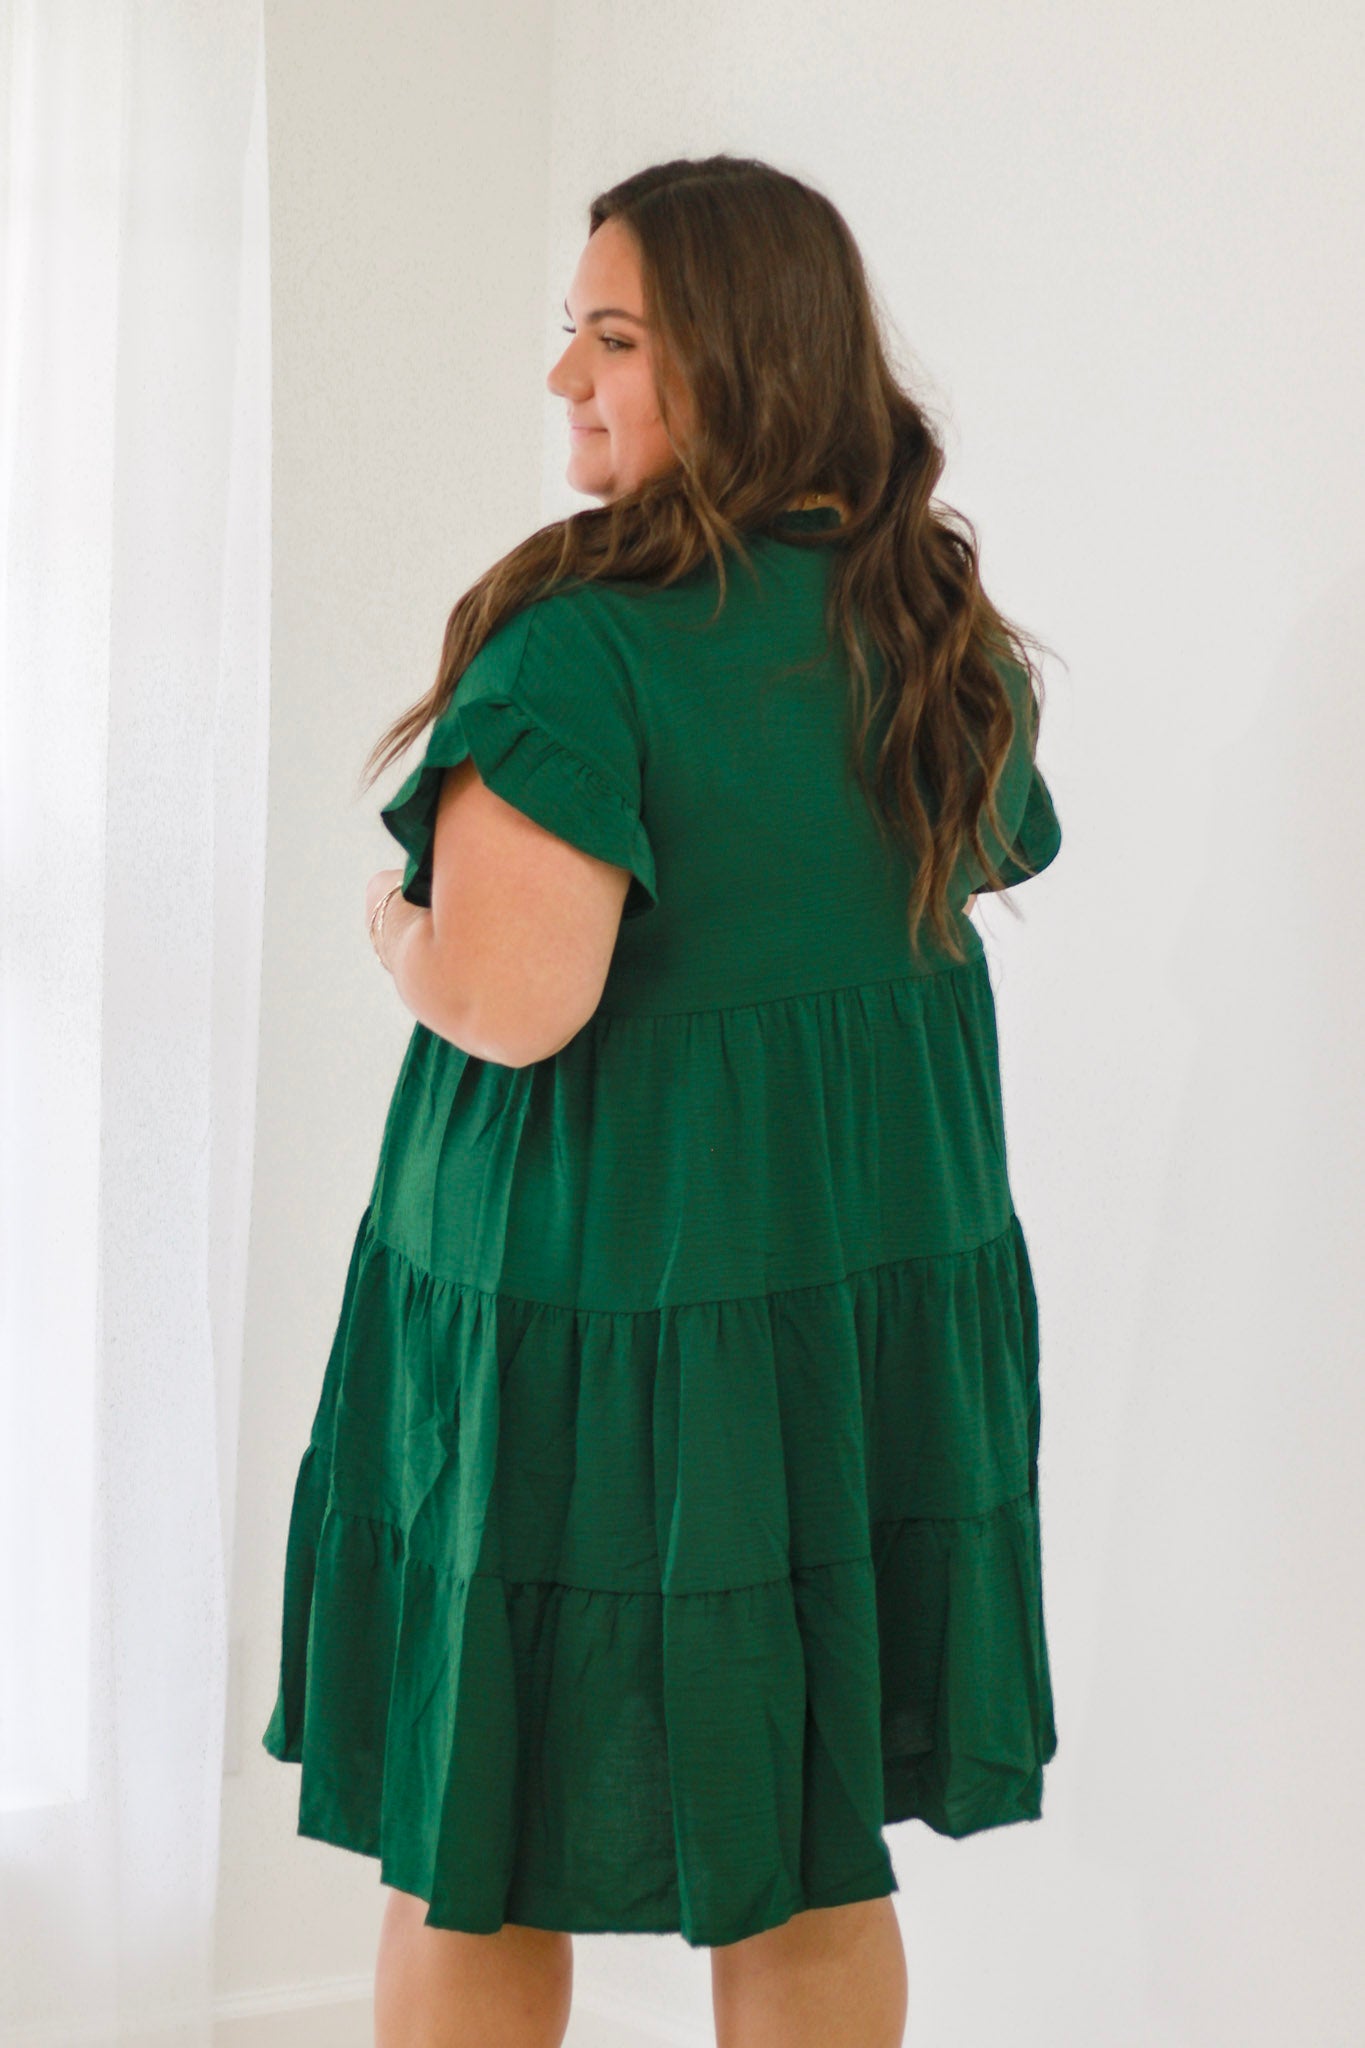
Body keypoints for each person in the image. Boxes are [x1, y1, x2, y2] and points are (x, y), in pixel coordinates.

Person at [263, 154, 1063, 2048]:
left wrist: (394, 927)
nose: (564, 378)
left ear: (742, 356)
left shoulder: (583, 647)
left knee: (475, 1828)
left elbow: (511, 1004)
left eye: (612, 338)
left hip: (586, 1315)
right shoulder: (926, 623)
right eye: (572, 332)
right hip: (840, 1321)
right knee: (802, 1841)